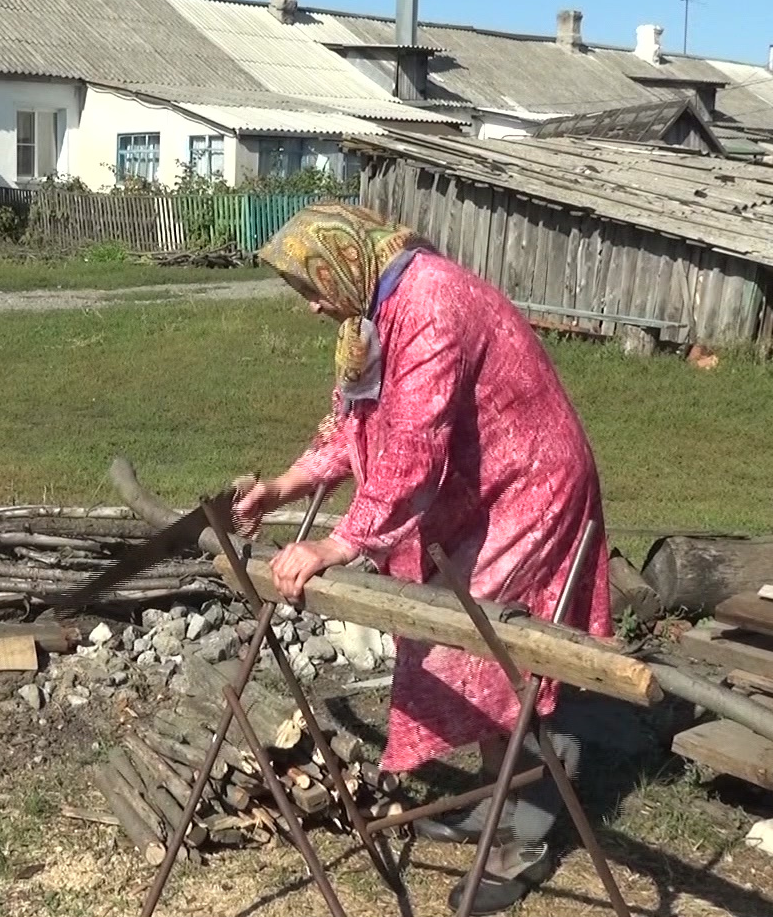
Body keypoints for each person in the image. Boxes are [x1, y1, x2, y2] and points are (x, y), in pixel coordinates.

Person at [233, 202, 614, 915]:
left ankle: (521, 826)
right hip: (481, 486)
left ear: (342, 261)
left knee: (483, 647)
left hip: (531, 482)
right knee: (458, 642)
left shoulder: (432, 303)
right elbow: (357, 423)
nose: (313, 306)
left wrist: (337, 543)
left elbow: (410, 450)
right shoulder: (371, 314)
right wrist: (285, 485)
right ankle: (508, 792)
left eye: (311, 288)